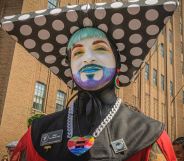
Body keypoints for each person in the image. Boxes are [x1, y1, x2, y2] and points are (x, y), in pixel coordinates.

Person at [0, 0, 178, 161]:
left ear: (118, 66)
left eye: (99, 49)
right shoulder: (37, 134)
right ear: (70, 70)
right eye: (78, 53)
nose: (88, 59)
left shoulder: (149, 135)